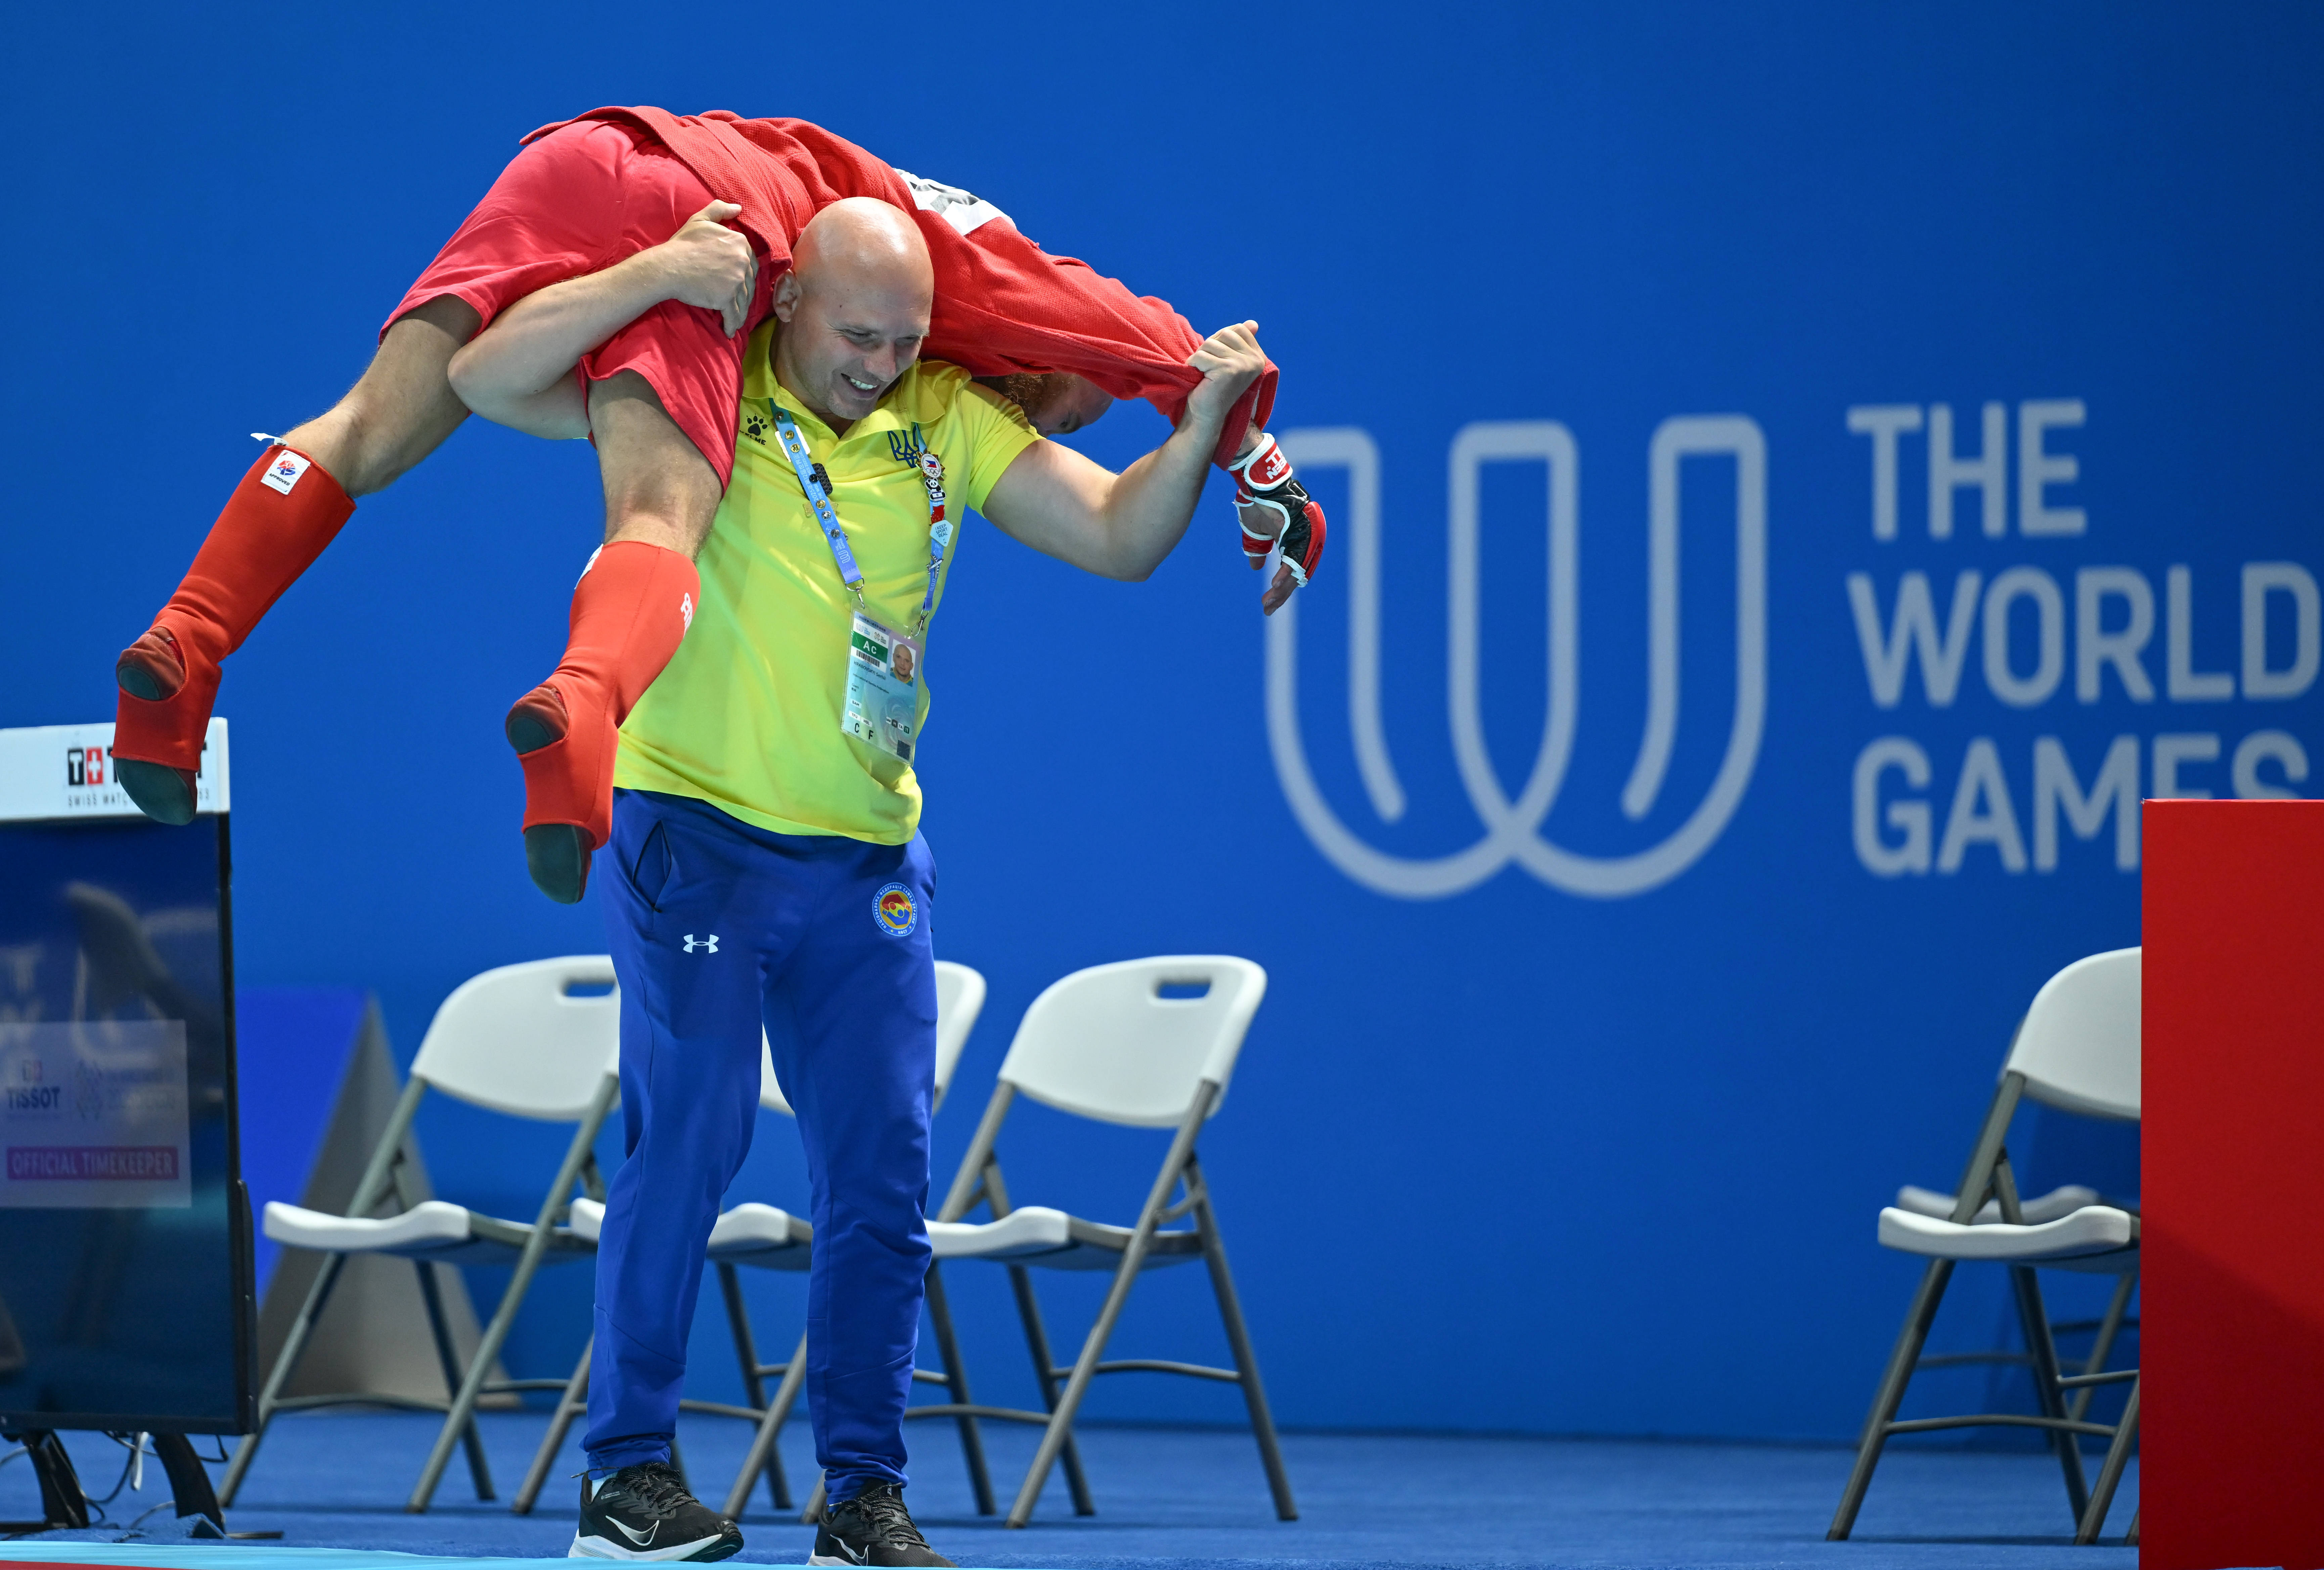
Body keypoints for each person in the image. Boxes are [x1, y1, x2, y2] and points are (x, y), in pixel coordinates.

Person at [450, 197, 1277, 1565]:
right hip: (691, 834)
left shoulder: (946, 414)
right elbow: (490, 379)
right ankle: (627, 1476)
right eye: (857, 336)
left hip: (866, 859)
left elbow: (1120, 539)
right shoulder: (695, 377)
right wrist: (657, 270)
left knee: (885, 1175)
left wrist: (1192, 431)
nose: (879, 363)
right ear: (786, 301)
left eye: (903, 339)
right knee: (691, 1144)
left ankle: (858, 1492)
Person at [107, 108, 1324, 898]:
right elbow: (1148, 339)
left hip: (572, 153)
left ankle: (184, 649)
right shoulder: (967, 270)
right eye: (1069, 415)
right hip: (702, 213)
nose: (1057, 425)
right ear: (1047, 372)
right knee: (658, 518)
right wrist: (1258, 456)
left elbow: (481, 384)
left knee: (364, 432)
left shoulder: (913, 310)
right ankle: (582, 716)